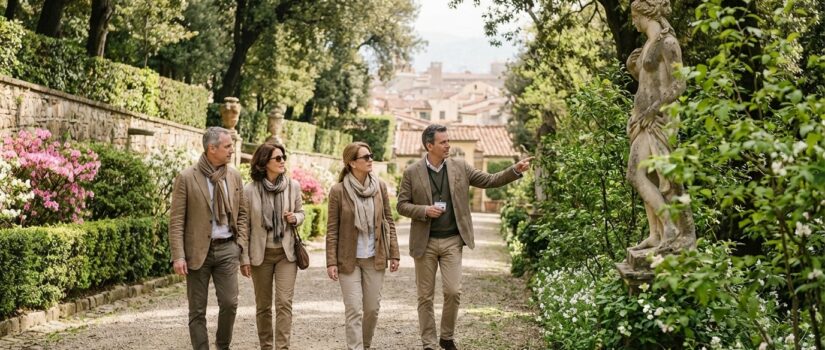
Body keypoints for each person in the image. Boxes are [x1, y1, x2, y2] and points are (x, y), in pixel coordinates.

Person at [397, 124, 532, 350]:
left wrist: (515, 170)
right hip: (425, 242)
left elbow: (489, 180)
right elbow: (401, 205)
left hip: (452, 240)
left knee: (453, 291)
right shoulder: (412, 172)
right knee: (425, 296)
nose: (448, 145)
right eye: (443, 142)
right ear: (429, 146)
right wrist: (424, 210)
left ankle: (446, 337)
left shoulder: (460, 166)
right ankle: (429, 343)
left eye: (448, 141)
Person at [168, 126, 248, 350]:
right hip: (197, 252)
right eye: (227, 146)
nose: (232, 150)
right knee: (197, 310)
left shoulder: (233, 176)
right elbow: (176, 221)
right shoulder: (186, 177)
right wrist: (178, 256)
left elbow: (242, 213)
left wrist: (240, 245)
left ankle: (223, 346)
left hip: (227, 249)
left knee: (230, 303)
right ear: (212, 149)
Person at [626, 0, 695, 253]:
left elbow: (679, 85)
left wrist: (653, 108)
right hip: (642, 119)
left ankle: (670, 228)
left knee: (637, 174)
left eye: (635, 16)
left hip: (658, 120)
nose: (634, 22)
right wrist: (634, 71)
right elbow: (650, 81)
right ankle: (656, 233)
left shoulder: (668, 43)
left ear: (646, 14)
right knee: (650, 175)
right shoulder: (648, 44)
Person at [326, 141, 400, 350]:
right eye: (365, 157)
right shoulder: (338, 191)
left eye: (371, 156)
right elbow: (332, 229)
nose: (370, 160)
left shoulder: (380, 187)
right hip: (348, 259)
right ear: (352, 163)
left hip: (374, 256)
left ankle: (365, 345)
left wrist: (394, 253)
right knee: (353, 309)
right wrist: (331, 261)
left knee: (372, 309)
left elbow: (389, 221)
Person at [238, 142, 305, 350]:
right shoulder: (249, 191)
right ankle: (266, 346)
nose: (282, 161)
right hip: (261, 255)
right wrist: (244, 259)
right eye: (278, 158)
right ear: (264, 162)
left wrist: (296, 218)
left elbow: (301, 213)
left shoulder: (293, 186)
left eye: (283, 156)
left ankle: (282, 347)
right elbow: (244, 226)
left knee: (284, 303)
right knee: (264, 306)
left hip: (286, 254)